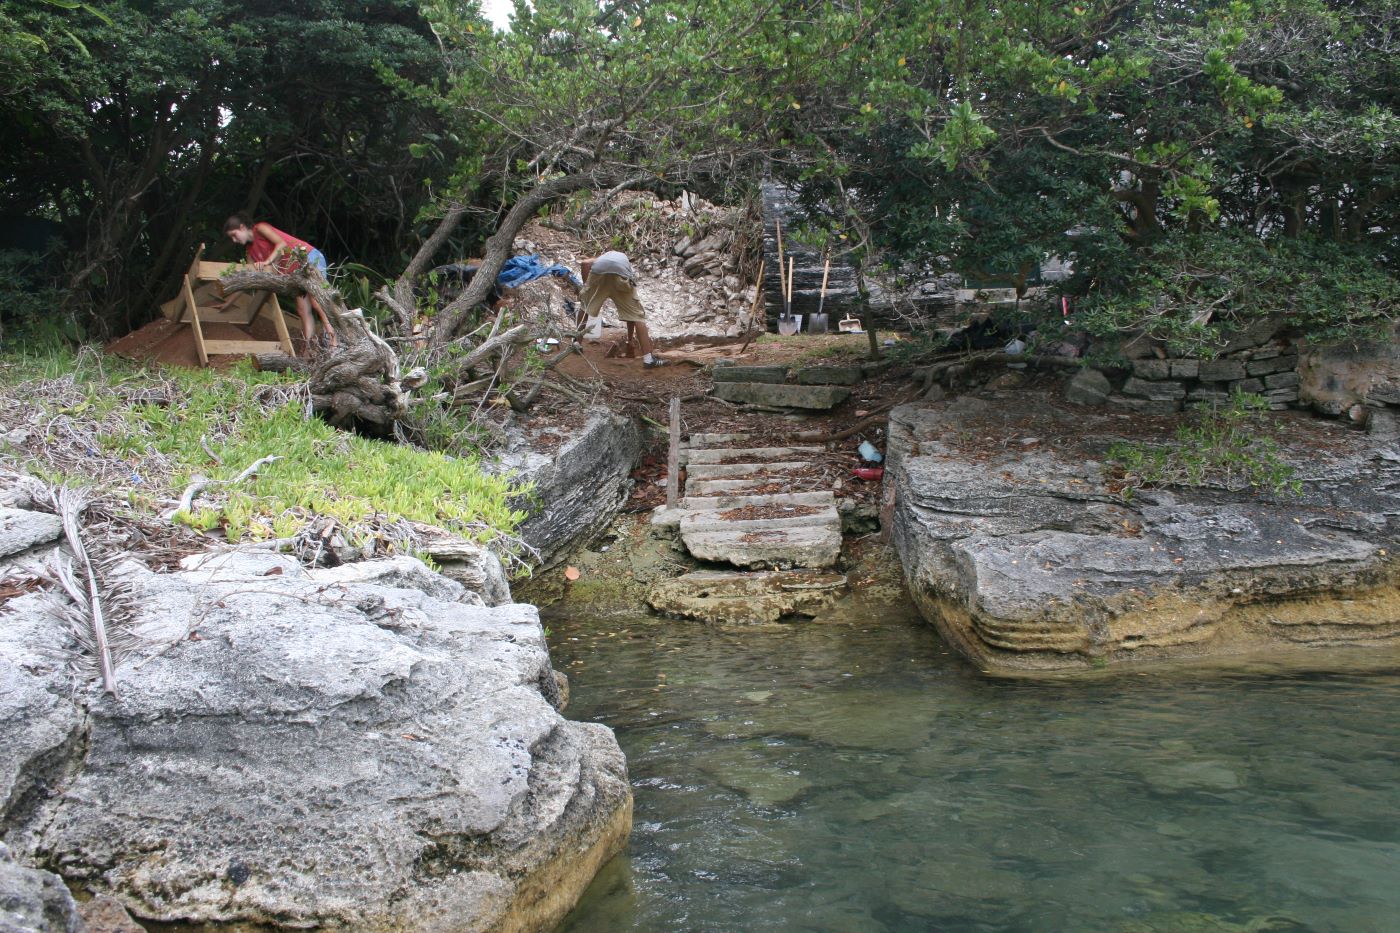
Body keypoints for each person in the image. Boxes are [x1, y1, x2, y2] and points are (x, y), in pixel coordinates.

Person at [222, 214, 337, 355]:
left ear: (242, 227)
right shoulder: (250, 252)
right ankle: (308, 350)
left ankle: (333, 338)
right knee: (302, 310)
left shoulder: (260, 228)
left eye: (234, 235)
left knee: (316, 301)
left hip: (309, 257)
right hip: (295, 274)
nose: (234, 240)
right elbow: (248, 280)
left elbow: (281, 243)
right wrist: (228, 302)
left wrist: (266, 262)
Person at [579, 250, 666, 367]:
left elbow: (585, 263)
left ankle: (576, 343)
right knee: (637, 315)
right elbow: (631, 316)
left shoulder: (599, 259)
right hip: (621, 276)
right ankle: (648, 359)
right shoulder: (623, 260)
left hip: (599, 276)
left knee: (585, 307)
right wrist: (629, 339)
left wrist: (587, 287)